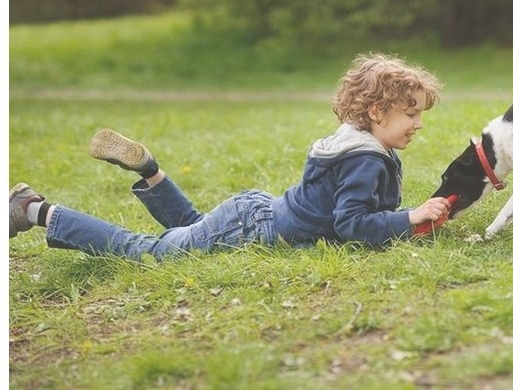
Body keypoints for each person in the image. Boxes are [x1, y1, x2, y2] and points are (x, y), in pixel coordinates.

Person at [9, 53, 452, 261]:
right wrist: (409, 218)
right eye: (409, 113)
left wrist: (404, 221)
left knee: (192, 231)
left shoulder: (358, 141)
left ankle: (151, 172)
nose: (418, 123)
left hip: (254, 212)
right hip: (255, 224)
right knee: (152, 253)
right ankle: (33, 210)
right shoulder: (366, 159)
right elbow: (350, 224)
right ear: (376, 112)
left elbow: (358, 213)